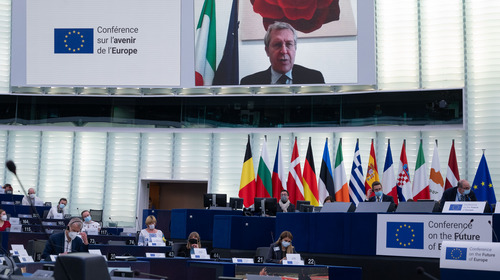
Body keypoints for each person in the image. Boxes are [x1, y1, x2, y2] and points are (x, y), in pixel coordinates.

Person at [240, 21, 325, 85]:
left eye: (289, 44)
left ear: (295, 48)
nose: (284, 51)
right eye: (277, 45)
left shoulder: (314, 79)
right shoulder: (249, 83)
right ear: (267, 51)